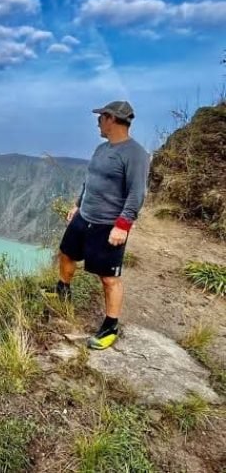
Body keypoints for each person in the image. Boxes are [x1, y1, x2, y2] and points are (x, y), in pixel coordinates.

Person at [55, 101, 150, 350]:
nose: (97, 121)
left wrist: (123, 225)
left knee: (108, 279)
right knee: (66, 254)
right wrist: (77, 204)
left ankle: (110, 326)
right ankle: (62, 292)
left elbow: (137, 194)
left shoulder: (135, 154)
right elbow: (90, 182)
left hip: (107, 224)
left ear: (111, 119)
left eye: (100, 117)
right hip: (84, 217)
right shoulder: (101, 149)